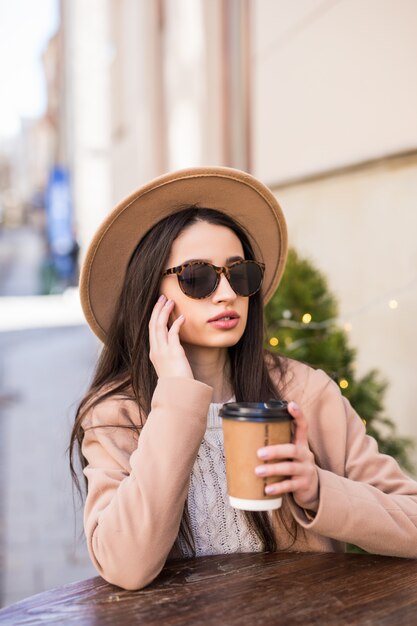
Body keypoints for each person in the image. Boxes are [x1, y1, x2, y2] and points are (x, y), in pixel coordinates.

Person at [70, 166, 417, 591]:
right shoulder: (118, 413)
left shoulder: (305, 393)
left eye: (240, 273)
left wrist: (319, 491)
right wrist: (177, 396)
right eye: (197, 277)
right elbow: (125, 565)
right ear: (150, 292)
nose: (226, 292)